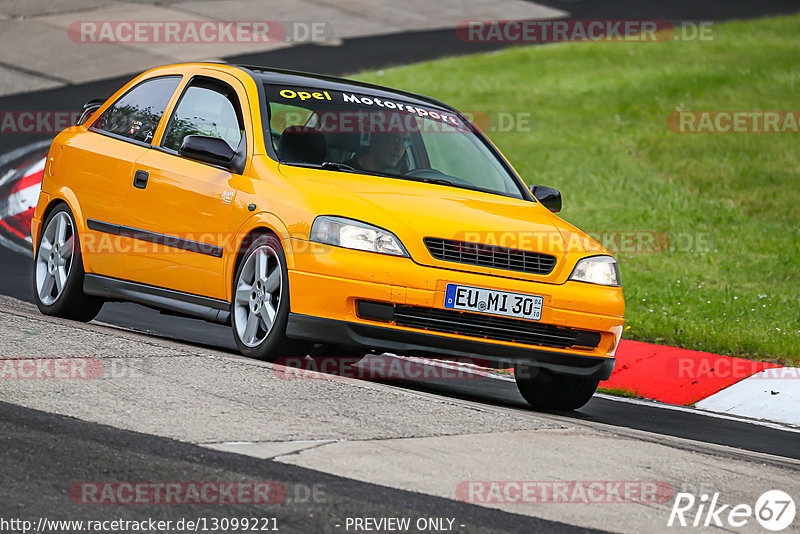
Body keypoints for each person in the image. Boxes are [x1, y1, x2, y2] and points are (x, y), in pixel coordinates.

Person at [346, 132, 411, 173]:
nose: (399, 148)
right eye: (394, 139)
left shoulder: (400, 183)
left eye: (405, 141)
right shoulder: (343, 172)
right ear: (375, 137)